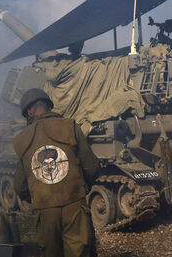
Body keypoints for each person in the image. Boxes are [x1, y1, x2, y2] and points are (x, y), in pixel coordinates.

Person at [13, 88, 100, 257]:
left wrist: (38, 198)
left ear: (29, 112)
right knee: (80, 252)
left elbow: (19, 185)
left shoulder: (22, 139)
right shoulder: (70, 126)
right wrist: (81, 189)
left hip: (45, 210)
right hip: (74, 204)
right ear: (49, 108)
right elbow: (92, 167)